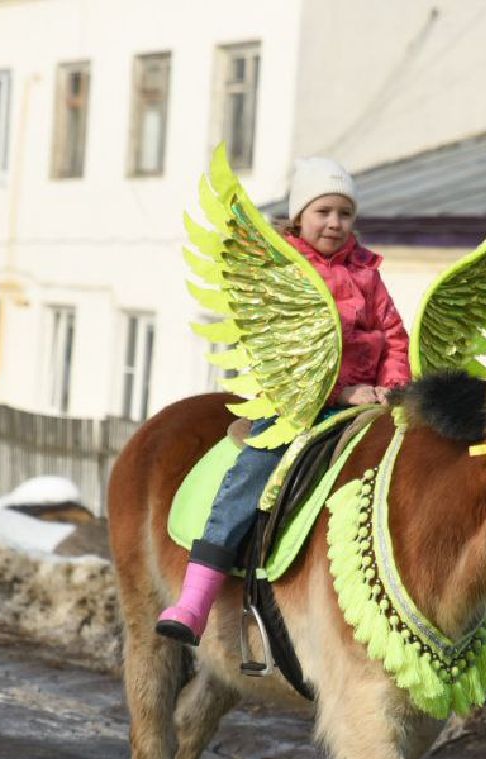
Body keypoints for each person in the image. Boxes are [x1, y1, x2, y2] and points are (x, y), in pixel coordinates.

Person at [157, 157, 412, 644]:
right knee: (252, 473)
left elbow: (393, 334)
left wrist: (393, 386)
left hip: (371, 403)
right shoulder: (284, 273)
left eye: (345, 213)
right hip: (298, 403)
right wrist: (339, 391)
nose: (335, 223)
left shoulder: (368, 273)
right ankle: (194, 601)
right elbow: (282, 348)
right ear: (300, 216)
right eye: (324, 212)